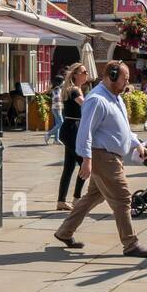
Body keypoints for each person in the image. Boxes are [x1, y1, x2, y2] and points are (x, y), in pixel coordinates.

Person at [53, 61, 147, 258]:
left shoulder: (115, 98)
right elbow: (85, 131)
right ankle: (130, 244)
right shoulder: (97, 99)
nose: (128, 83)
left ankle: (64, 231)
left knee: (93, 196)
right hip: (103, 156)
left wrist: (138, 144)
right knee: (123, 198)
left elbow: (122, 128)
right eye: (125, 79)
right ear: (112, 76)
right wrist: (86, 159)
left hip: (110, 156)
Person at [55, 63, 90, 211]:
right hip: (72, 129)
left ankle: (61, 201)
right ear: (75, 74)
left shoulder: (74, 89)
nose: (86, 74)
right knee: (85, 165)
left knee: (69, 167)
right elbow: (86, 105)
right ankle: (76, 198)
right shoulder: (74, 90)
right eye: (84, 71)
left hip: (70, 129)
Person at [45, 73, 65, 144]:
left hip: (57, 107)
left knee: (57, 123)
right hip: (56, 108)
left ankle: (56, 139)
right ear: (59, 82)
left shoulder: (56, 88)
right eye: (62, 81)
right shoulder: (57, 89)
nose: (64, 82)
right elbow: (57, 98)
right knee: (61, 122)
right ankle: (49, 134)